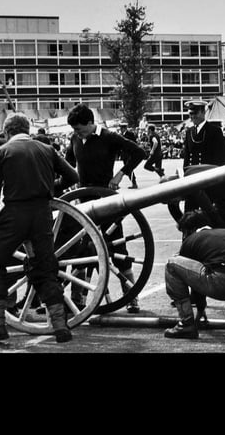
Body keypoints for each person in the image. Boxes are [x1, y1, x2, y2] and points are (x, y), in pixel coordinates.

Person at [0, 112, 80, 344]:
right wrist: (51, 188)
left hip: (14, 214)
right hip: (41, 215)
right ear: (27, 129)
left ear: (7, 132)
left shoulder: (3, 151)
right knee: (46, 268)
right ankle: (60, 326)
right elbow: (73, 175)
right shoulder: (46, 149)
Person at [63, 104, 146, 313]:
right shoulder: (75, 139)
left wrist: (121, 174)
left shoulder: (109, 137)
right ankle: (78, 299)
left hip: (105, 199)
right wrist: (71, 181)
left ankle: (131, 297)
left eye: (80, 128)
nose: (77, 133)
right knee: (81, 249)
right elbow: (67, 163)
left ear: (91, 123)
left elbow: (138, 152)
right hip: (83, 201)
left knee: (118, 248)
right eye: (74, 130)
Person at [163, 210, 225, 339]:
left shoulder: (191, 240)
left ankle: (186, 323)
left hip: (223, 283)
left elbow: (193, 280)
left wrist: (201, 310)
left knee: (172, 263)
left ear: (189, 230)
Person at [180, 100, 225, 167]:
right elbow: (187, 157)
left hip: (208, 172)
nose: (192, 116)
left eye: (195, 113)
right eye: (191, 114)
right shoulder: (189, 132)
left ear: (203, 112)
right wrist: (185, 171)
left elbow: (220, 157)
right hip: (191, 172)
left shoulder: (215, 131)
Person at [118, 122, 140, 189]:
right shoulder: (121, 135)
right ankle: (133, 183)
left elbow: (134, 143)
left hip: (129, 155)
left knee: (129, 169)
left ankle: (134, 183)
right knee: (128, 169)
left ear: (124, 128)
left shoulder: (130, 134)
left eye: (121, 128)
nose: (120, 129)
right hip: (124, 155)